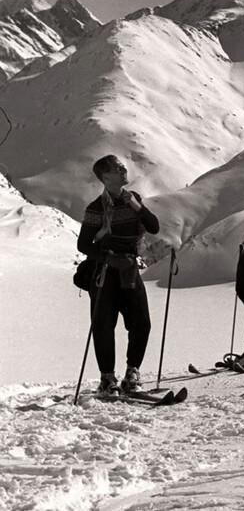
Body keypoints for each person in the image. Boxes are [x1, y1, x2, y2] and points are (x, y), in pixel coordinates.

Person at [77, 155, 159, 396]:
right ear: (105, 177)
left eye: (123, 167)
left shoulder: (134, 200)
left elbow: (153, 227)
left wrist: (136, 205)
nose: (124, 170)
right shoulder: (95, 209)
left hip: (129, 268)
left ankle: (131, 373)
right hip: (104, 271)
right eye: (118, 168)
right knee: (103, 325)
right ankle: (107, 378)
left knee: (141, 322)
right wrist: (109, 258)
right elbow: (84, 244)